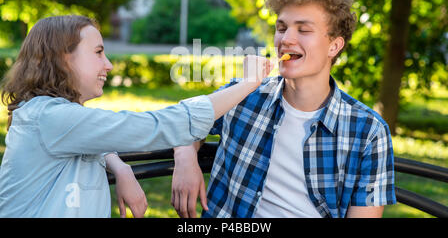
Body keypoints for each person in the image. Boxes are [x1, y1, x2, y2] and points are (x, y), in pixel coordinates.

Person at [171, 0, 396, 218]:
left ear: (334, 45)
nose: (286, 39)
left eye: (303, 30)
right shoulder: (244, 96)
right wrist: (184, 156)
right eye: (281, 27)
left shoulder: (368, 131)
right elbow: (184, 119)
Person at [0, 15, 273, 218]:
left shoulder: (47, 115)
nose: (108, 64)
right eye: (98, 53)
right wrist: (248, 83)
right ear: (63, 59)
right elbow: (155, 127)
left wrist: (120, 166)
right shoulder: (52, 118)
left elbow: (94, 136)